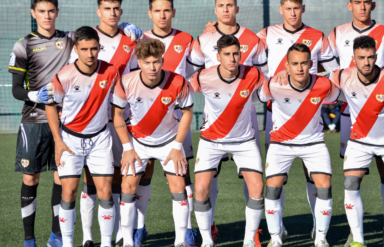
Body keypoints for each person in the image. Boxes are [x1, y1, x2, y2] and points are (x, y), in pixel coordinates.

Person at [187, 0, 268, 244]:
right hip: (212, 139)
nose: (232, 58)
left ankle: (249, 238)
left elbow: (269, 88)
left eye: (236, 54)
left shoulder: (253, 67)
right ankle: (207, 237)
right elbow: (182, 90)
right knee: (202, 188)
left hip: (244, 135)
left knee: (256, 185)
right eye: (227, 55)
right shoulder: (204, 71)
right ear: (217, 56)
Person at [327, 1, 384, 245]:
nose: (362, 6)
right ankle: (355, 230)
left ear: (372, 4)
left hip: (380, 112)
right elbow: (323, 61)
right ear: (349, 5)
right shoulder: (337, 33)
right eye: (357, 2)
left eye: (366, 2)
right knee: (352, 175)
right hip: (349, 112)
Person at [123, 0, 197, 245]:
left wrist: (184, 91)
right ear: (150, 13)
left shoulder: (187, 38)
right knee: (141, 177)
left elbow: (201, 65)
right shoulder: (138, 39)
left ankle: (185, 233)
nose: (163, 15)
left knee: (181, 178)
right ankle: (138, 229)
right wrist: (122, 26)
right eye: (158, 10)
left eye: (167, 10)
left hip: (174, 120)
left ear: (173, 12)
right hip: (143, 121)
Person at [66, 1, 139, 246]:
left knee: (118, 176)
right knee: (90, 178)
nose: (112, 13)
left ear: (121, 10)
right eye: (107, 8)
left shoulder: (131, 39)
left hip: (119, 118)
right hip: (91, 122)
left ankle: (120, 232)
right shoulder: (86, 37)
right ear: (98, 11)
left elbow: (134, 76)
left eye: (116, 8)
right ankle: (88, 237)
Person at [259, 43, 340, 247]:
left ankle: (321, 238)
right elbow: (260, 96)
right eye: (294, 64)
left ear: (311, 64)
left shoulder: (324, 85)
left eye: (304, 63)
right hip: (281, 144)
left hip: (313, 143)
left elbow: (341, 97)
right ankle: (276, 237)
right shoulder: (273, 85)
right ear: (286, 65)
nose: (300, 68)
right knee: (273, 189)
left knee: (324, 187)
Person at [46, 26, 120, 247]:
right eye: (85, 49)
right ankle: (68, 244)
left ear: (100, 47)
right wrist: (58, 141)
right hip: (70, 140)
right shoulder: (64, 75)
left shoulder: (111, 71)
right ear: (76, 49)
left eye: (94, 49)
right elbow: (51, 107)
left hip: (100, 138)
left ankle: (106, 243)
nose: (90, 54)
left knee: (105, 191)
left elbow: (119, 103)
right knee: (68, 192)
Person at [9, 1, 73, 246]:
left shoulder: (70, 39)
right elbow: (15, 90)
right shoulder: (23, 44)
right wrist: (33, 95)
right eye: (42, 11)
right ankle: (29, 239)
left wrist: (122, 25)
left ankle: (56, 237)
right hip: (33, 121)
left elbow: (98, 36)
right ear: (33, 13)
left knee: (61, 179)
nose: (47, 16)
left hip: (65, 120)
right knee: (30, 179)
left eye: (51, 11)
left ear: (57, 12)